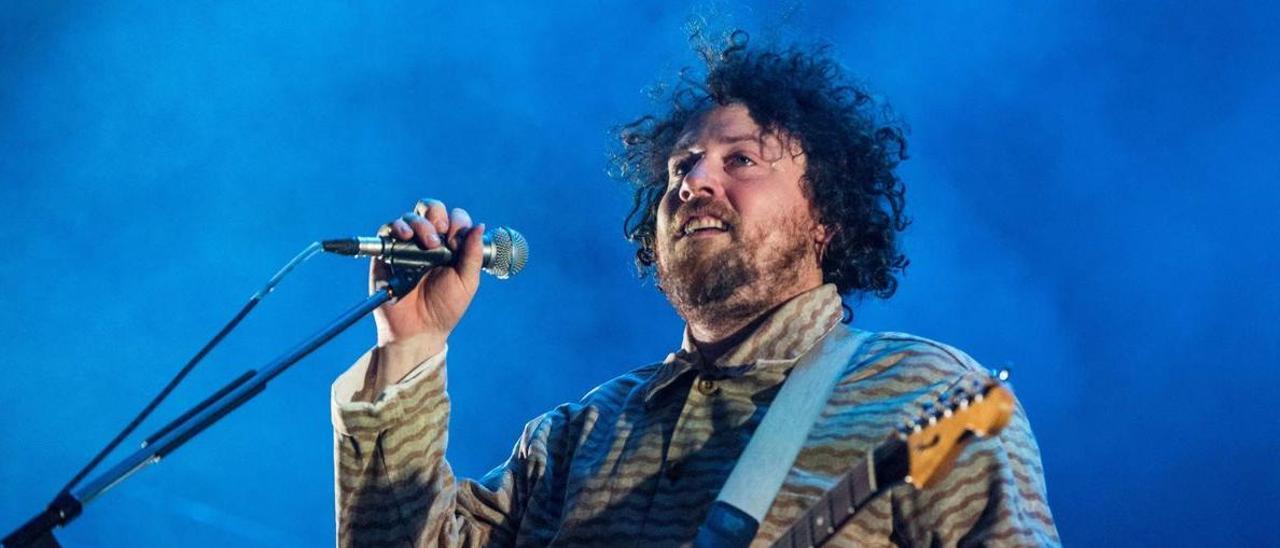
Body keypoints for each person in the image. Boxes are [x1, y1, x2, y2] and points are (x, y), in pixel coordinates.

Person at [330, 33, 1059, 547]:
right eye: (682, 164)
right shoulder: (573, 439)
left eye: (741, 159)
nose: (694, 182)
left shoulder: (927, 398)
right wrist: (411, 347)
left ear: (827, 219)